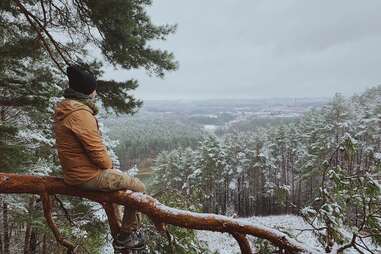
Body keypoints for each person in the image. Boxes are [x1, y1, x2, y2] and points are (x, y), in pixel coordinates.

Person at [53, 66, 146, 253]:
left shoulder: (67, 108)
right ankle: (127, 235)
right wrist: (109, 167)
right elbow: (99, 156)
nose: (96, 92)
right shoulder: (80, 114)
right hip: (86, 177)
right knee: (138, 187)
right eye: (94, 88)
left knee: (122, 184)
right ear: (87, 90)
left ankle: (124, 232)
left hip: (74, 173)